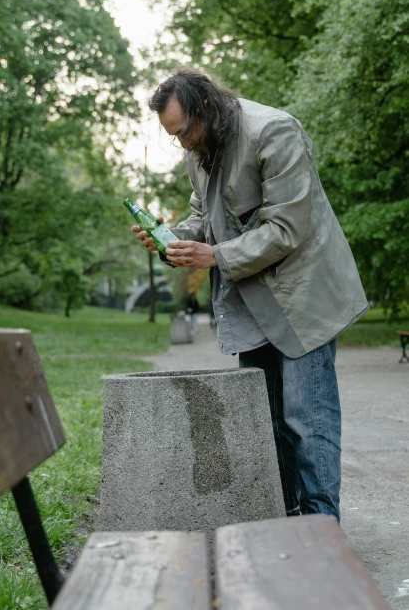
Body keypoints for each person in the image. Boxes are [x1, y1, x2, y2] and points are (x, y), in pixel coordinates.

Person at [131, 69, 368, 521]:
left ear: (206, 108)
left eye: (183, 132)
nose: (181, 144)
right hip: (251, 304)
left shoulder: (275, 131)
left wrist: (214, 255)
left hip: (304, 298)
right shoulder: (198, 151)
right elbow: (204, 218)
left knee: (307, 422)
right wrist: (171, 242)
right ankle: (288, 520)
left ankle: (322, 531)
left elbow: (286, 229)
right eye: (172, 137)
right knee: (268, 421)